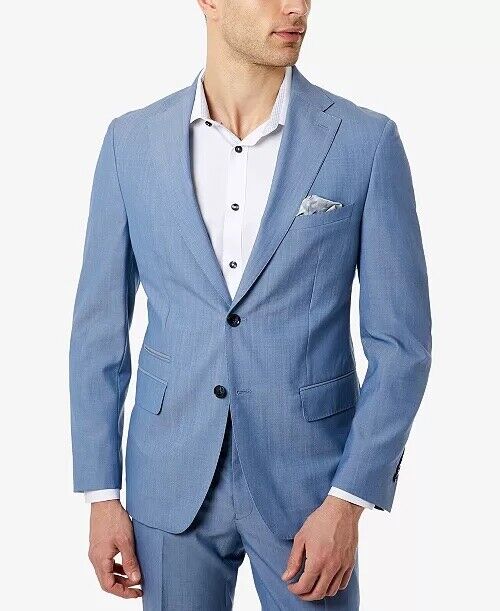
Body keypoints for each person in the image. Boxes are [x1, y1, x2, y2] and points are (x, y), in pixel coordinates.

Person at [69, 1, 432, 608]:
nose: (296, 7)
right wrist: (101, 494)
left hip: (312, 488)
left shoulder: (364, 141)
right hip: (169, 478)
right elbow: (98, 333)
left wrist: (350, 499)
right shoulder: (130, 143)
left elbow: (403, 347)